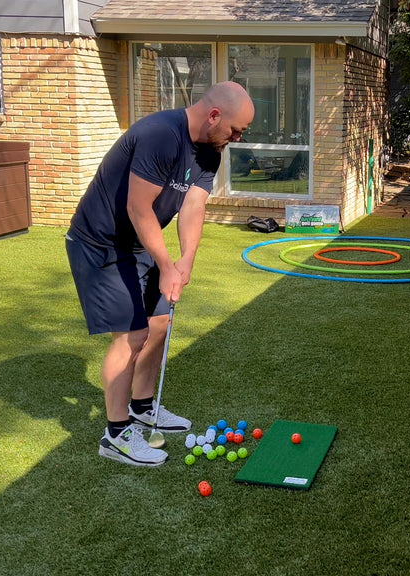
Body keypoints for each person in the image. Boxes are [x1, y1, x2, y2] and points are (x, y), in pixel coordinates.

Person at [65, 81, 254, 466]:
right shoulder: (160, 135)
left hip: (136, 243)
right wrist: (165, 264)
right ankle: (115, 435)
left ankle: (142, 406)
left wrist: (186, 260)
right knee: (132, 333)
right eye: (235, 129)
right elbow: (139, 208)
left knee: (159, 323)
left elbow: (193, 208)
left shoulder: (210, 152)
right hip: (101, 241)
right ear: (214, 115)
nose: (236, 138)